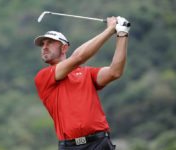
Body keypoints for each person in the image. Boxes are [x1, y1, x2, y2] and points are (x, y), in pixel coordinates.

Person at [34, 16, 130, 150]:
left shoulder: (87, 73)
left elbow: (115, 72)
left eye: (49, 42)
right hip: (70, 146)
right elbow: (78, 58)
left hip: (99, 143)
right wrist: (109, 30)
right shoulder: (43, 76)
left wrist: (122, 34)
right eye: (42, 44)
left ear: (64, 48)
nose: (44, 47)